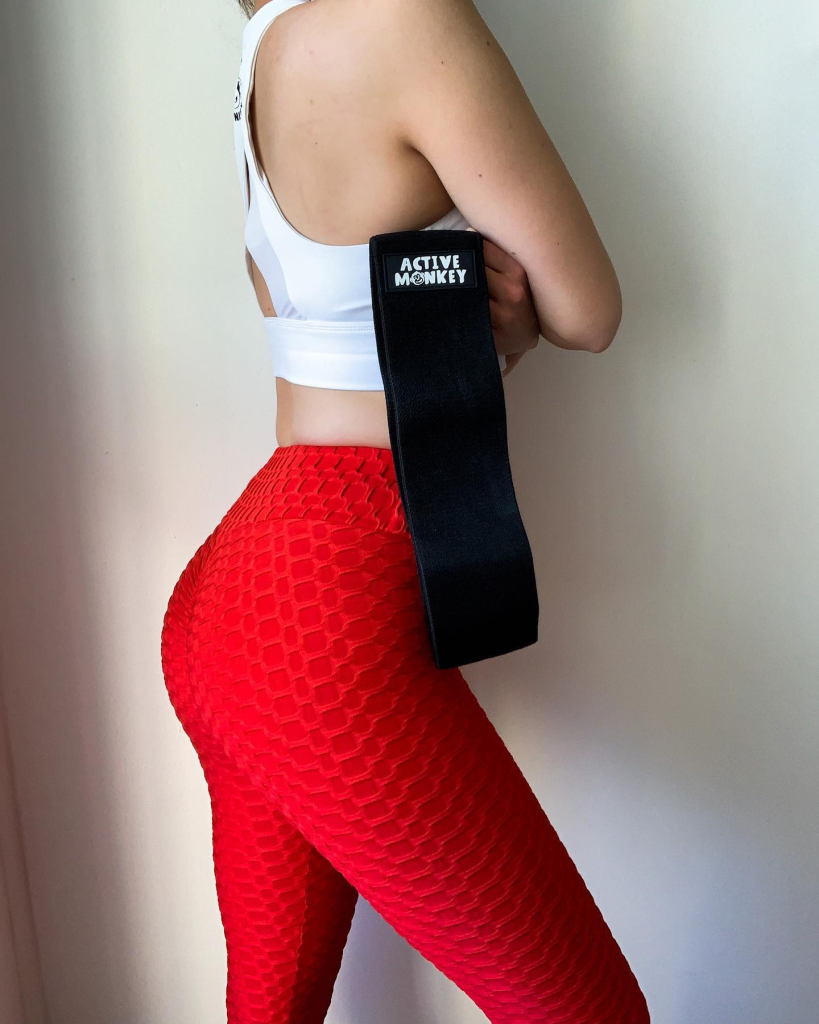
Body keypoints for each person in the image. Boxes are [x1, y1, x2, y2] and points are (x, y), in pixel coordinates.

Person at [161, 1, 649, 1021]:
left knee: (270, 1005)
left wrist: (478, 326)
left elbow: (330, 324)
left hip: (237, 596)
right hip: (320, 615)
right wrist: (512, 324)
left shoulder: (260, 52)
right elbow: (589, 309)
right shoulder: (403, 16)